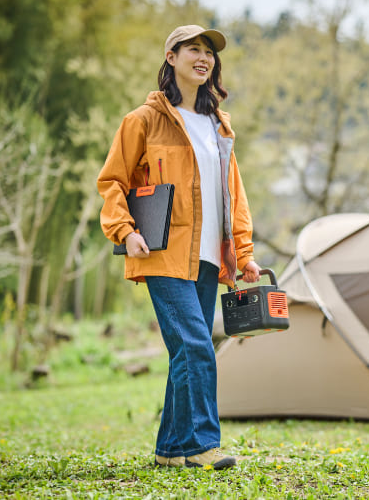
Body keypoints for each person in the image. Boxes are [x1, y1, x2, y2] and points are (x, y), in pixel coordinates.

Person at [97, 24, 261, 470]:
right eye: (193, 48)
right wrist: (123, 229)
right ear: (171, 57)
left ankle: (171, 450)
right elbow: (112, 181)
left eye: (209, 51)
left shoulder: (218, 124)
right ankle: (203, 444)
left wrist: (242, 254)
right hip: (161, 252)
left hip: (210, 257)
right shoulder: (143, 120)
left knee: (185, 350)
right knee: (195, 343)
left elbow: (234, 195)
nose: (203, 57)